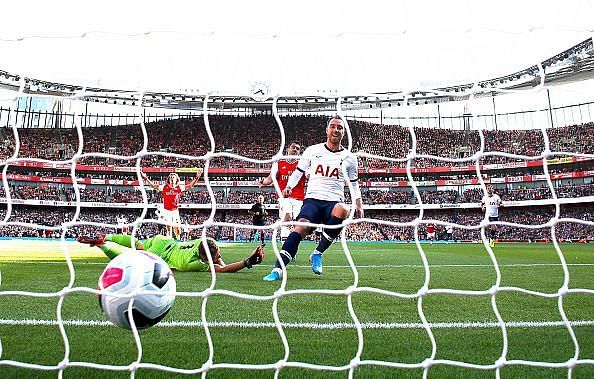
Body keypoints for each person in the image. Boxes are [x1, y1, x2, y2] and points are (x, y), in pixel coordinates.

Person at [262, 116, 364, 281]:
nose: (336, 130)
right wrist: (289, 186)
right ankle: (277, 270)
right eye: (333, 126)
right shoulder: (312, 150)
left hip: (333, 202)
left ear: (344, 132)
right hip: (312, 201)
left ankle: (317, 253)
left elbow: (353, 183)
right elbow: (298, 172)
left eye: (340, 127)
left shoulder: (350, 158)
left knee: (344, 209)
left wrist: (358, 204)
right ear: (327, 130)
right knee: (300, 228)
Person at [77, 233, 263, 273]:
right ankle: (104, 245)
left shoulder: (205, 241)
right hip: (161, 253)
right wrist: (247, 262)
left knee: (138, 244)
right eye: (217, 255)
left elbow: (220, 261)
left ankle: (108, 236)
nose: (220, 255)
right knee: (135, 259)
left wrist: (248, 261)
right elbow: (221, 269)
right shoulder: (194, 264)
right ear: (205, 257)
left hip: (165, 240)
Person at [259, 141, 306, 240]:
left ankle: (291, 249)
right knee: (287, 218)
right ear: (288, 149)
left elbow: (309, 176)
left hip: (299, 198)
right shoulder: (279, 162)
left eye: (297, 149)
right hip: (284, 197)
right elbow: (270, 178)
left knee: (297, 224)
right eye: (293, 147)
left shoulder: (302, 163)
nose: (295, 150)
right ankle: (285, 249)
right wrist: (263, 182)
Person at [141, 169, 203, 240]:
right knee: (168, 227)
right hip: (166, 210)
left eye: (173, 177)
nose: (172, 178)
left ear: (176, 179)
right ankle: (169, 240)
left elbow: (190, 185)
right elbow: (153, 186)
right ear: (169, 179)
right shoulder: (164, 187)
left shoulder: (179, 187)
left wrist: (197, 177)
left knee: (177, 230)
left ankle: (178, 239)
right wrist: (146, 178)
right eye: (170, 177)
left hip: (175, 211)